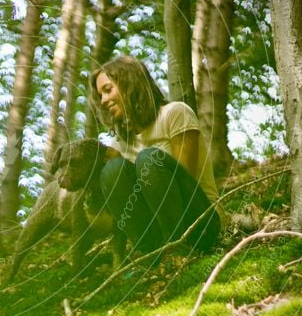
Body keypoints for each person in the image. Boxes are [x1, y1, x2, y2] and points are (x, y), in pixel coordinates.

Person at [88, 55, 224, 255]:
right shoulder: (121, 142)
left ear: (129, 83)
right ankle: (148, 252)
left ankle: (179, 247)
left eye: (108, 90)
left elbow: (186, 180)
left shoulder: (175, 113)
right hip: (158, 230)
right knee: (111, 170)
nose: (103, 101)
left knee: (149, 159)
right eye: (100, 95)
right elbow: (115, 197)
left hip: (199, 221)